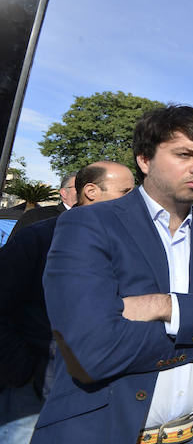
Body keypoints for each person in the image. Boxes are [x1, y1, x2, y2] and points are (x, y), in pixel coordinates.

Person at [32, 105, 193, 444]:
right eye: (184, 154)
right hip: (107, 432)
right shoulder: (89, 224)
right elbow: (93, 351)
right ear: (144, 159)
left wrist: (165, 306)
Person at [0, 162, 134, 443]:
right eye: (126, 191)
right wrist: (22, 365)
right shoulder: (38, 237)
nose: (135, 200)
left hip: (100, 387)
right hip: (32, 389)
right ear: (91, 191)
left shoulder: (130, 246)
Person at [8, 172, 77, 237]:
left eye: (88, 188)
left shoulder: (86, 219)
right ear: (64, 192)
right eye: (79, 187)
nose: (85, 191)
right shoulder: (36, 216)